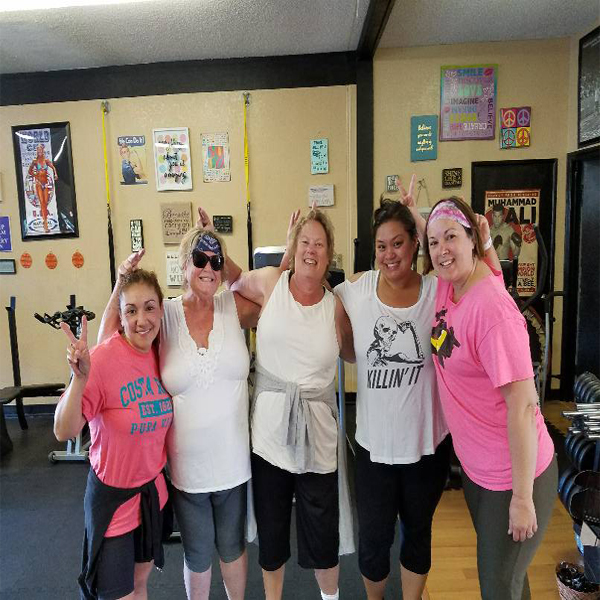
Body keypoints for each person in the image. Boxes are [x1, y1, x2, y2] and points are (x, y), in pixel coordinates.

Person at [98, 226, 260, 600]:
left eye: (216, 262)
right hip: (187, 467)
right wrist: (120, 284)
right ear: (184, 264)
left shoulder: (232, 306)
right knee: (197, 553)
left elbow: (271, 293)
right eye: (200, 259)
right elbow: (108, 340)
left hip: (233, 462)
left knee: (233, 547)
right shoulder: (165, 313)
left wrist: (229, 263)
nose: (208, 268)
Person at [212, 206, 354, 600]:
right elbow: (236, 279)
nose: (312, 250)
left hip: (318, 437)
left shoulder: (335, 306)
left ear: (329, 255)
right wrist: (216, 248)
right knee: (272, 536)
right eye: (305, 241)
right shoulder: (272, 282)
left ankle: (330, 598)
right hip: (269, 436)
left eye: (319, 244)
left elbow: (354, 352)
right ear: (294, 246)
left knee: (323, 536)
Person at [423, 196, 557, 600]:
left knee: (497, 587)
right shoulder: (451, 285)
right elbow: (438, 229)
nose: (442, 250)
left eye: (451, 237)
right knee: (510, 579)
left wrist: (522, 498)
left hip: (513, 476)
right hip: (477, 472)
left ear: (472, 239)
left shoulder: (492, 309)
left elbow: (524, 406)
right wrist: (417, 212)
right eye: (433, 242)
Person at [334, 179, 451, 600]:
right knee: (374, 541)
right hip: (374, 450)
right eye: (381, 246)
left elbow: (478, 271)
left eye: (397, 243)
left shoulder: (437, 291)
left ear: (415, 243)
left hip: (426, 447)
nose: (389, 254)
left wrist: (420, 216)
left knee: (418, 534)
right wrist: (347, 347)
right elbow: (319, 300)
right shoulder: (358, 290)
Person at [54, 269, 173, 600]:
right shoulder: (103, 360)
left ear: (161, 310)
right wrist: (79, 380)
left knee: (139, 585)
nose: (141, 320)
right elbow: (63, 430)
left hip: (151, 496)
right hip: (113, 504)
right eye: (131, 310)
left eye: (149, 308)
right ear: (120, 316)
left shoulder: (163, 355)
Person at [28, 143, 58, 232]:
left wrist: (55, 174)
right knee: (42, 203)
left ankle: (45, 221)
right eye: (38, 149)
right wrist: (35, 176)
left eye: (40, 149)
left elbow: (53, 167)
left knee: (45, 202)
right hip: (38, 183)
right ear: (37, 151)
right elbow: (29, 171)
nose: (39, 151)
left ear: (43, 150)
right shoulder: (35, 161)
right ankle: (45, 224)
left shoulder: (46, 160)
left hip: (45, 183)